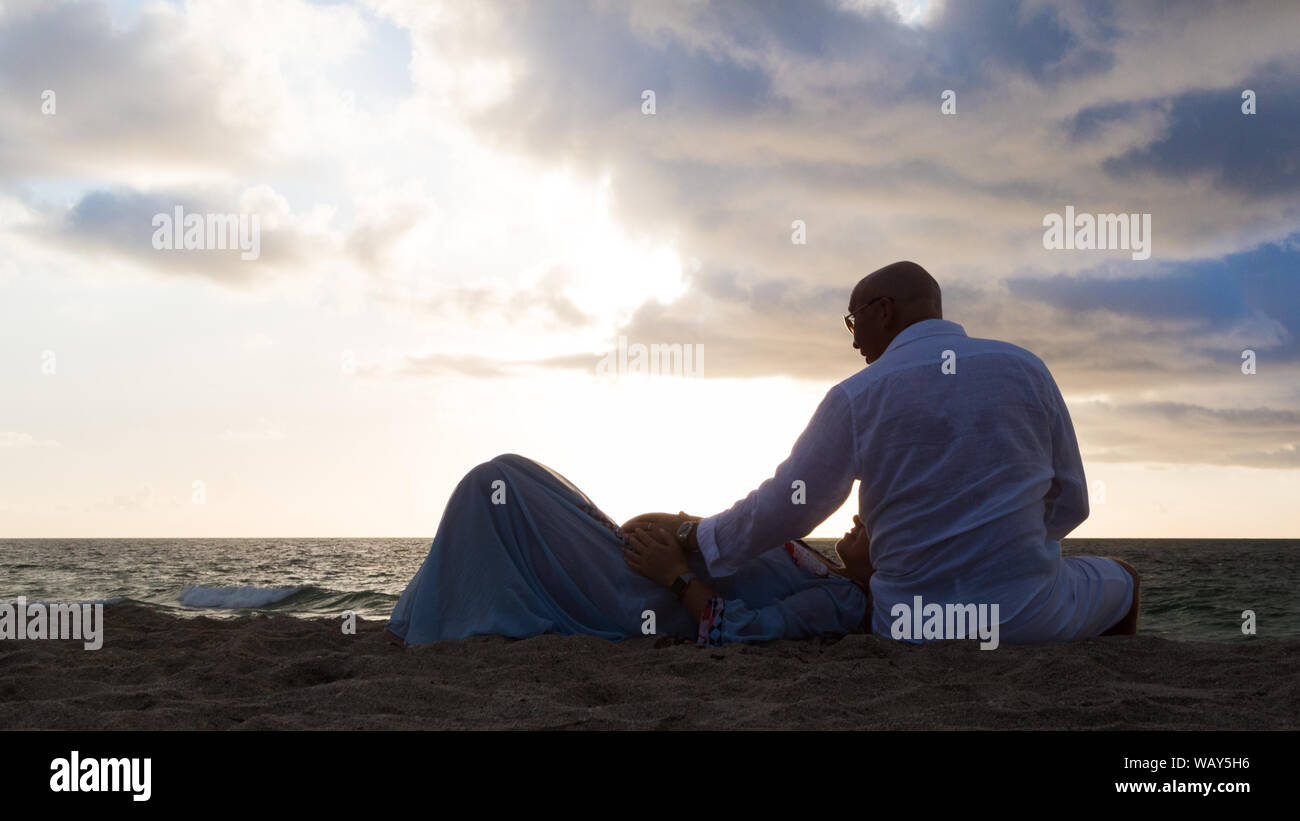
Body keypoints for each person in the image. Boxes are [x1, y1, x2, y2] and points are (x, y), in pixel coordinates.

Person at [623, 261, 1140, 644]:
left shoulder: (858, 394)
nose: (853, 342)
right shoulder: (1028, 369)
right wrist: (1001, 542)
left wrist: (694, 533)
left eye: (852, 322)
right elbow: (1072, 502)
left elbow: (791, 505)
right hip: (1030, 621)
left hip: (910, 630)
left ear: (883, 310)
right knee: (1125, 578)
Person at [385, 453, 870, 647]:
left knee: (495, 486)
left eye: (872, 529)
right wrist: (679, 525)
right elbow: (727, 536)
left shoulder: (842, 600)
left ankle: (435, 613)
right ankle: (438, 605)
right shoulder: (821, 563)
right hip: (638, 562)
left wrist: (675, 576)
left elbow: (741, 629)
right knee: (509, 473)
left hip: (642, 594)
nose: (857, 521)